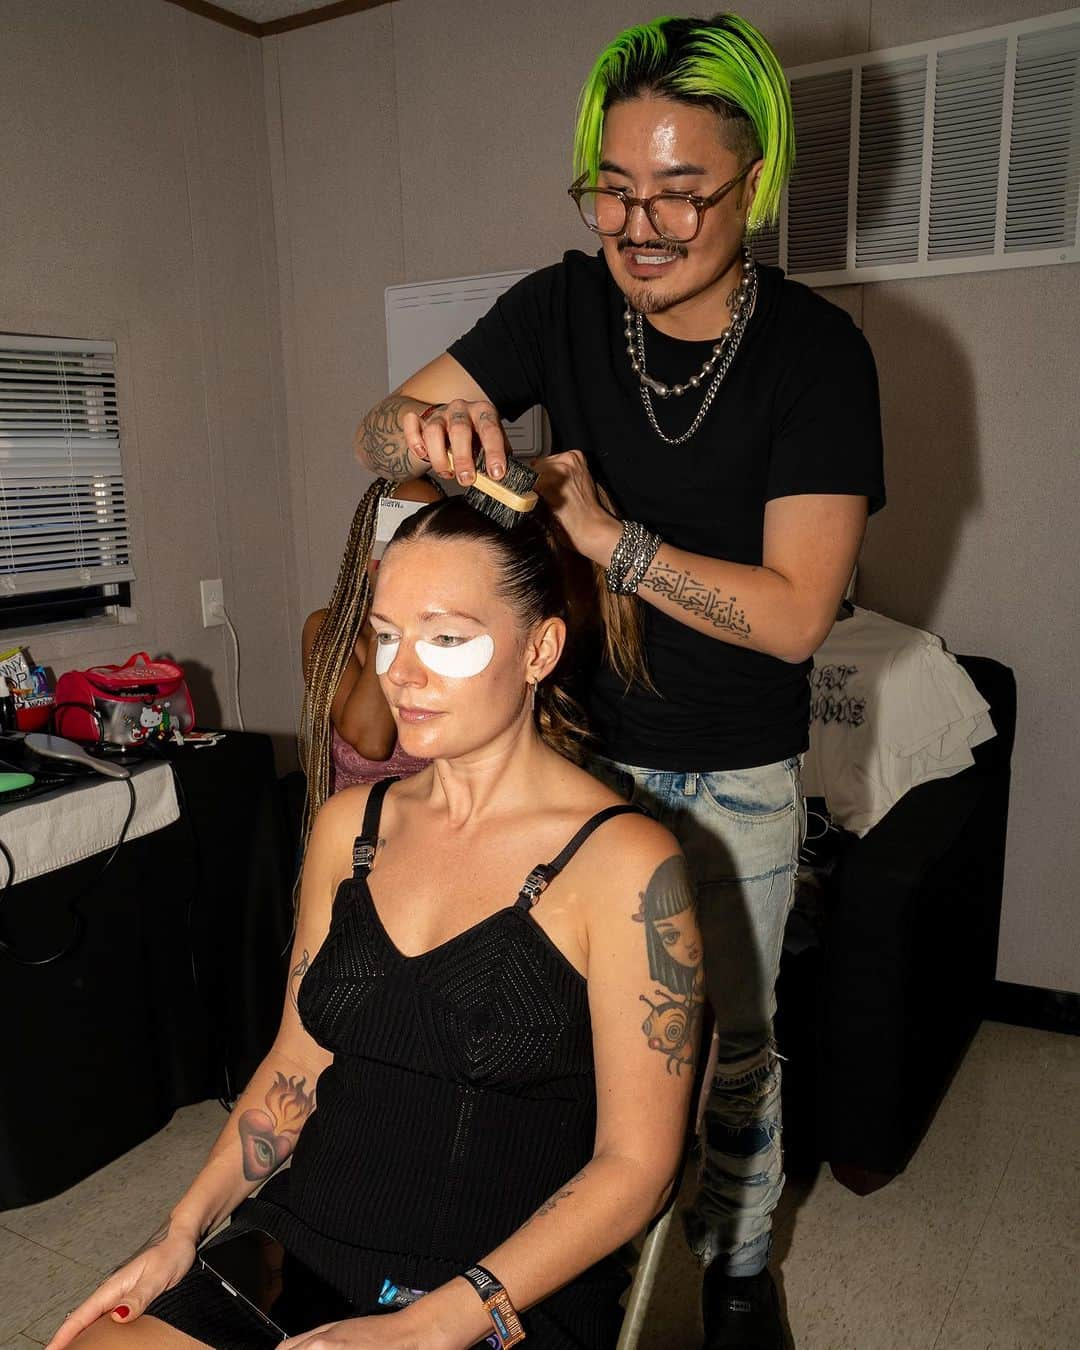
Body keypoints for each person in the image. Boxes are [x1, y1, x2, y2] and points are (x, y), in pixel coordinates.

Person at [351, 14, 885, 1348]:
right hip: (573, 751)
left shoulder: (820, 358)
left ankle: (740, 1268)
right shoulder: (561, 305)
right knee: (565, 1048)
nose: (640, 226)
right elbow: (376, 429)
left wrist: (610, 543)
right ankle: (571, 1268)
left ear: (749, 183)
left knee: (728, 1053)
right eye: (612, 191)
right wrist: (428, 432)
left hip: (732, 773)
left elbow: (794, 616)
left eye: (680, 192)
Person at [48, 495, 704, 1350]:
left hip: (499, 1287)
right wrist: (180, 1229)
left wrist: (435, 1324)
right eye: (388, 636)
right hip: (304, 1237)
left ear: (540, 648)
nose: (401, 673)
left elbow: (638, 1167)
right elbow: (297, 1060)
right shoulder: (346, 829)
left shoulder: (626, 864)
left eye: (446, 638)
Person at [300, 476, 442, 825]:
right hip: (357, 839)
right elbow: (372, 742)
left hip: (438, 833)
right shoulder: (328, 630)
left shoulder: (454, 637)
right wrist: (390, 612)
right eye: (398, 528)